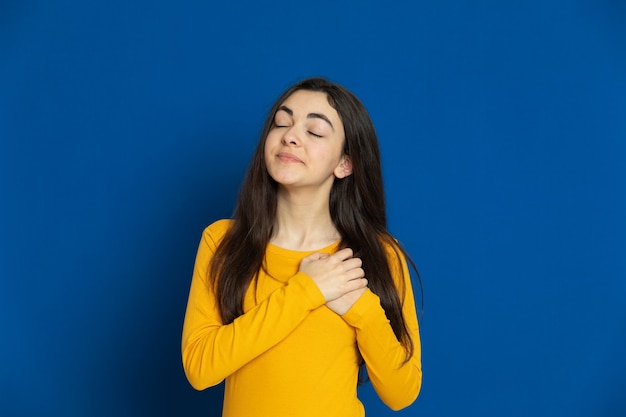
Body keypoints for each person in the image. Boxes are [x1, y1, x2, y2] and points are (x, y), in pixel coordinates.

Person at [181, 77, 422, 417]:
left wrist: (361, 308)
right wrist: (306, 290)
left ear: (345, 164)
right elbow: (200, 367)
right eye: (282, 123)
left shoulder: (378, 254)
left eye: (315, 132)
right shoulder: (223, 241)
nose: (290, 136)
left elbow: (402, 393)